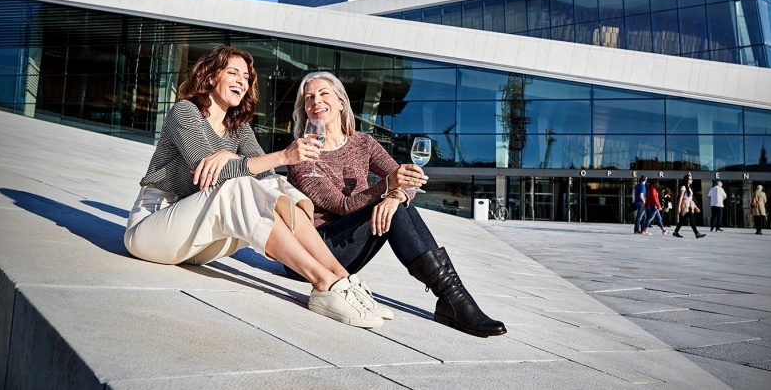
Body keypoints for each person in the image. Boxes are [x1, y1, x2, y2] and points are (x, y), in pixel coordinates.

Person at [124, 46, 385, 329]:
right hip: (155, 227)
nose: (241, 81)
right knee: (239, 186)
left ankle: (342, 278)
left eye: (246, 77)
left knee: (277, 185)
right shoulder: (185, 112)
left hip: (200, 240)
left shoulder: (238, 125)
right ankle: (323, 283)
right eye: (232, 73)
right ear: (211, 76)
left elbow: (268, 176)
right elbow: (205, 172)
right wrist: (284, 155)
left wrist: (234, 156)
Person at [286, 71, 506, 338]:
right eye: (309, 97)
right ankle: (453, 301)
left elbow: (407, 180)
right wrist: (389, 186)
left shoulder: (363, 143)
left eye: (323, 94)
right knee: (392, 205)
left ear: (341, 102)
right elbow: (342, 205)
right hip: (313, 254)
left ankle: (453, 298)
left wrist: (396, 195)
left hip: (348, 250)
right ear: (304, 109)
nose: (316, 101)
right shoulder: (301, 156)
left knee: (397, 206)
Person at [673, 173, 706, 239]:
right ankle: (697, 233)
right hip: (685, 205)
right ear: (686, 180)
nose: (691, 180)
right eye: (690, 179)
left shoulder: (689, 188)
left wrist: (696, 207)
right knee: (691, 219)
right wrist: (678, 207)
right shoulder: (683, 187)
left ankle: (675, 232)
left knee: (683, 220)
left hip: (690, 204)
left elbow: (690, 199)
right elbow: (681, 197)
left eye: (691, 179)